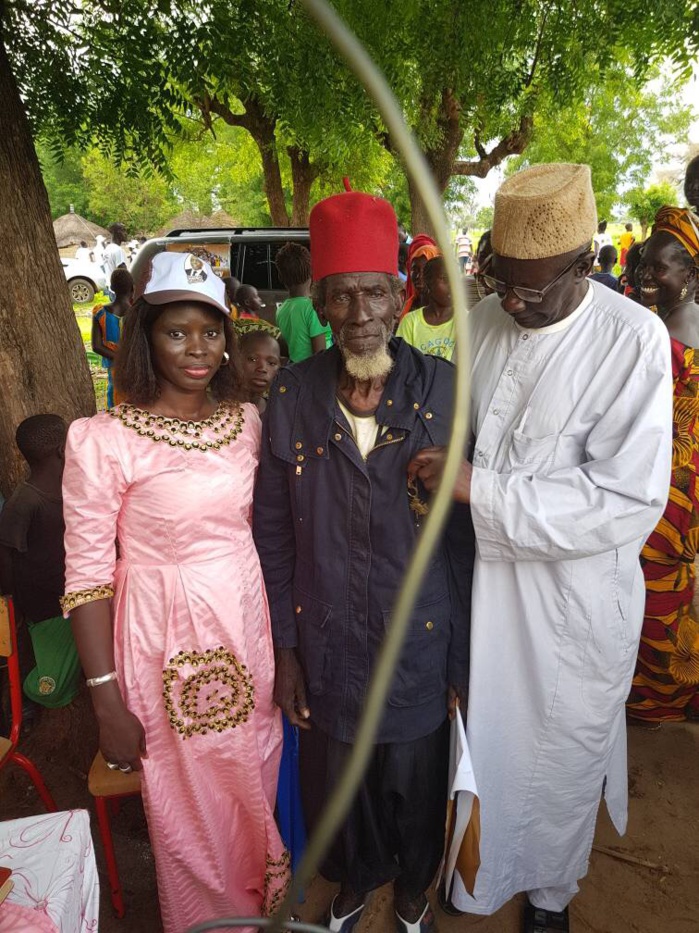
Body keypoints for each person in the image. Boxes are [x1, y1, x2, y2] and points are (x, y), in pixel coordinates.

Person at [409, 163, 672, 933]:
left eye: (532, 287)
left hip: (570, 607)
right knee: (481, 746)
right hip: (480, 587)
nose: (513, 301)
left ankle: (550, 897)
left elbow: (624, 500)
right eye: (502, 281)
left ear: (584, 264)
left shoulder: (632, 340)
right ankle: (474, 878)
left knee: (559, 757)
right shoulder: (484, 321)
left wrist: (477, 488)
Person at [253, 188, 473, 933]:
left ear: (399, 295)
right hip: (329, 638)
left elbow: (464, 542)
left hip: (420, 633)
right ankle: (355, 879)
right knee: (340, 778)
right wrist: (286, 648)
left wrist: (461, 661)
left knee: (415, 777)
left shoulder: (444, 388)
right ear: (318, 303)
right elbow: (273, 532)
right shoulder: (292, 393)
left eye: (375, 292)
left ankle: (411, 891)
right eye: (341, 295)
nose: (360, 313)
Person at [61, 252, 289, 932]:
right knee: (189, 798)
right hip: (166, 640)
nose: (197, 348)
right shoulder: (103, 441)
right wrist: (105, 698)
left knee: (254, 765)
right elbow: (86, 576)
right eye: (176, 332)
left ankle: (258, 906)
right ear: (145, 337)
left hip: (247, 628)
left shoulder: (246, 423)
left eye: (210, 332)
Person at [627, 206, 699, 725]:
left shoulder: (673, 332)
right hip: (675, 482)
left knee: (657, 590)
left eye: (660, 267)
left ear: (689, 273)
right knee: (669, 588)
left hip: (673, 486)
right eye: (643, 264)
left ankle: (659, 699)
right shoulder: (666, 321)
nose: (646, 275)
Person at [0, 415, 80, 710]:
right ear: (62, 450)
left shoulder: (74, 489)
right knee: (52, 688)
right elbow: (5, 557)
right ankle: (23, 697)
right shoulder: (23, 503)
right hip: (47, 610)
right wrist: (13, 606)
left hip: (80, 598)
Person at [275, 242, 332, 362]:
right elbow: (320, 356)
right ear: (312, 272)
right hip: (317, 371)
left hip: (297, 369)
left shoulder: (281, 310)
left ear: (280, 277)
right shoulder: (313, 308)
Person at [396, 255, 456, 360]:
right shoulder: (411, 322)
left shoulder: (466, 320)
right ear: (428, 283)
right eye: (445, 279)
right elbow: (403, 362)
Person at [91, 269, 133, 408]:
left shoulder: (100, 313)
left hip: (114, 367)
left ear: (112, 288)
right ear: (132, 288)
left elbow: (96, 346)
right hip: (135, 365)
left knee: (115, 398)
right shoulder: (137, 314)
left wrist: (119, 359)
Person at [238, 329, 281, 413]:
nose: (262, 368)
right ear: (235, 360)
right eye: (253, 359)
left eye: (271, 363)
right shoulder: (215, 408)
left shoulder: (279, 413)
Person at [400, 236, 440, 320]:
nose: (419, 276)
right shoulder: (408, 307)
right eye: (414, 269)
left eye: (426, 269)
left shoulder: (447, 310)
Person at [464, 230, 494, 310]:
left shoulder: (515, 296)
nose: (487, 262)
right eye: (484, 255)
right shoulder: (463, 286)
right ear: (477, 255)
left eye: (494, 257)